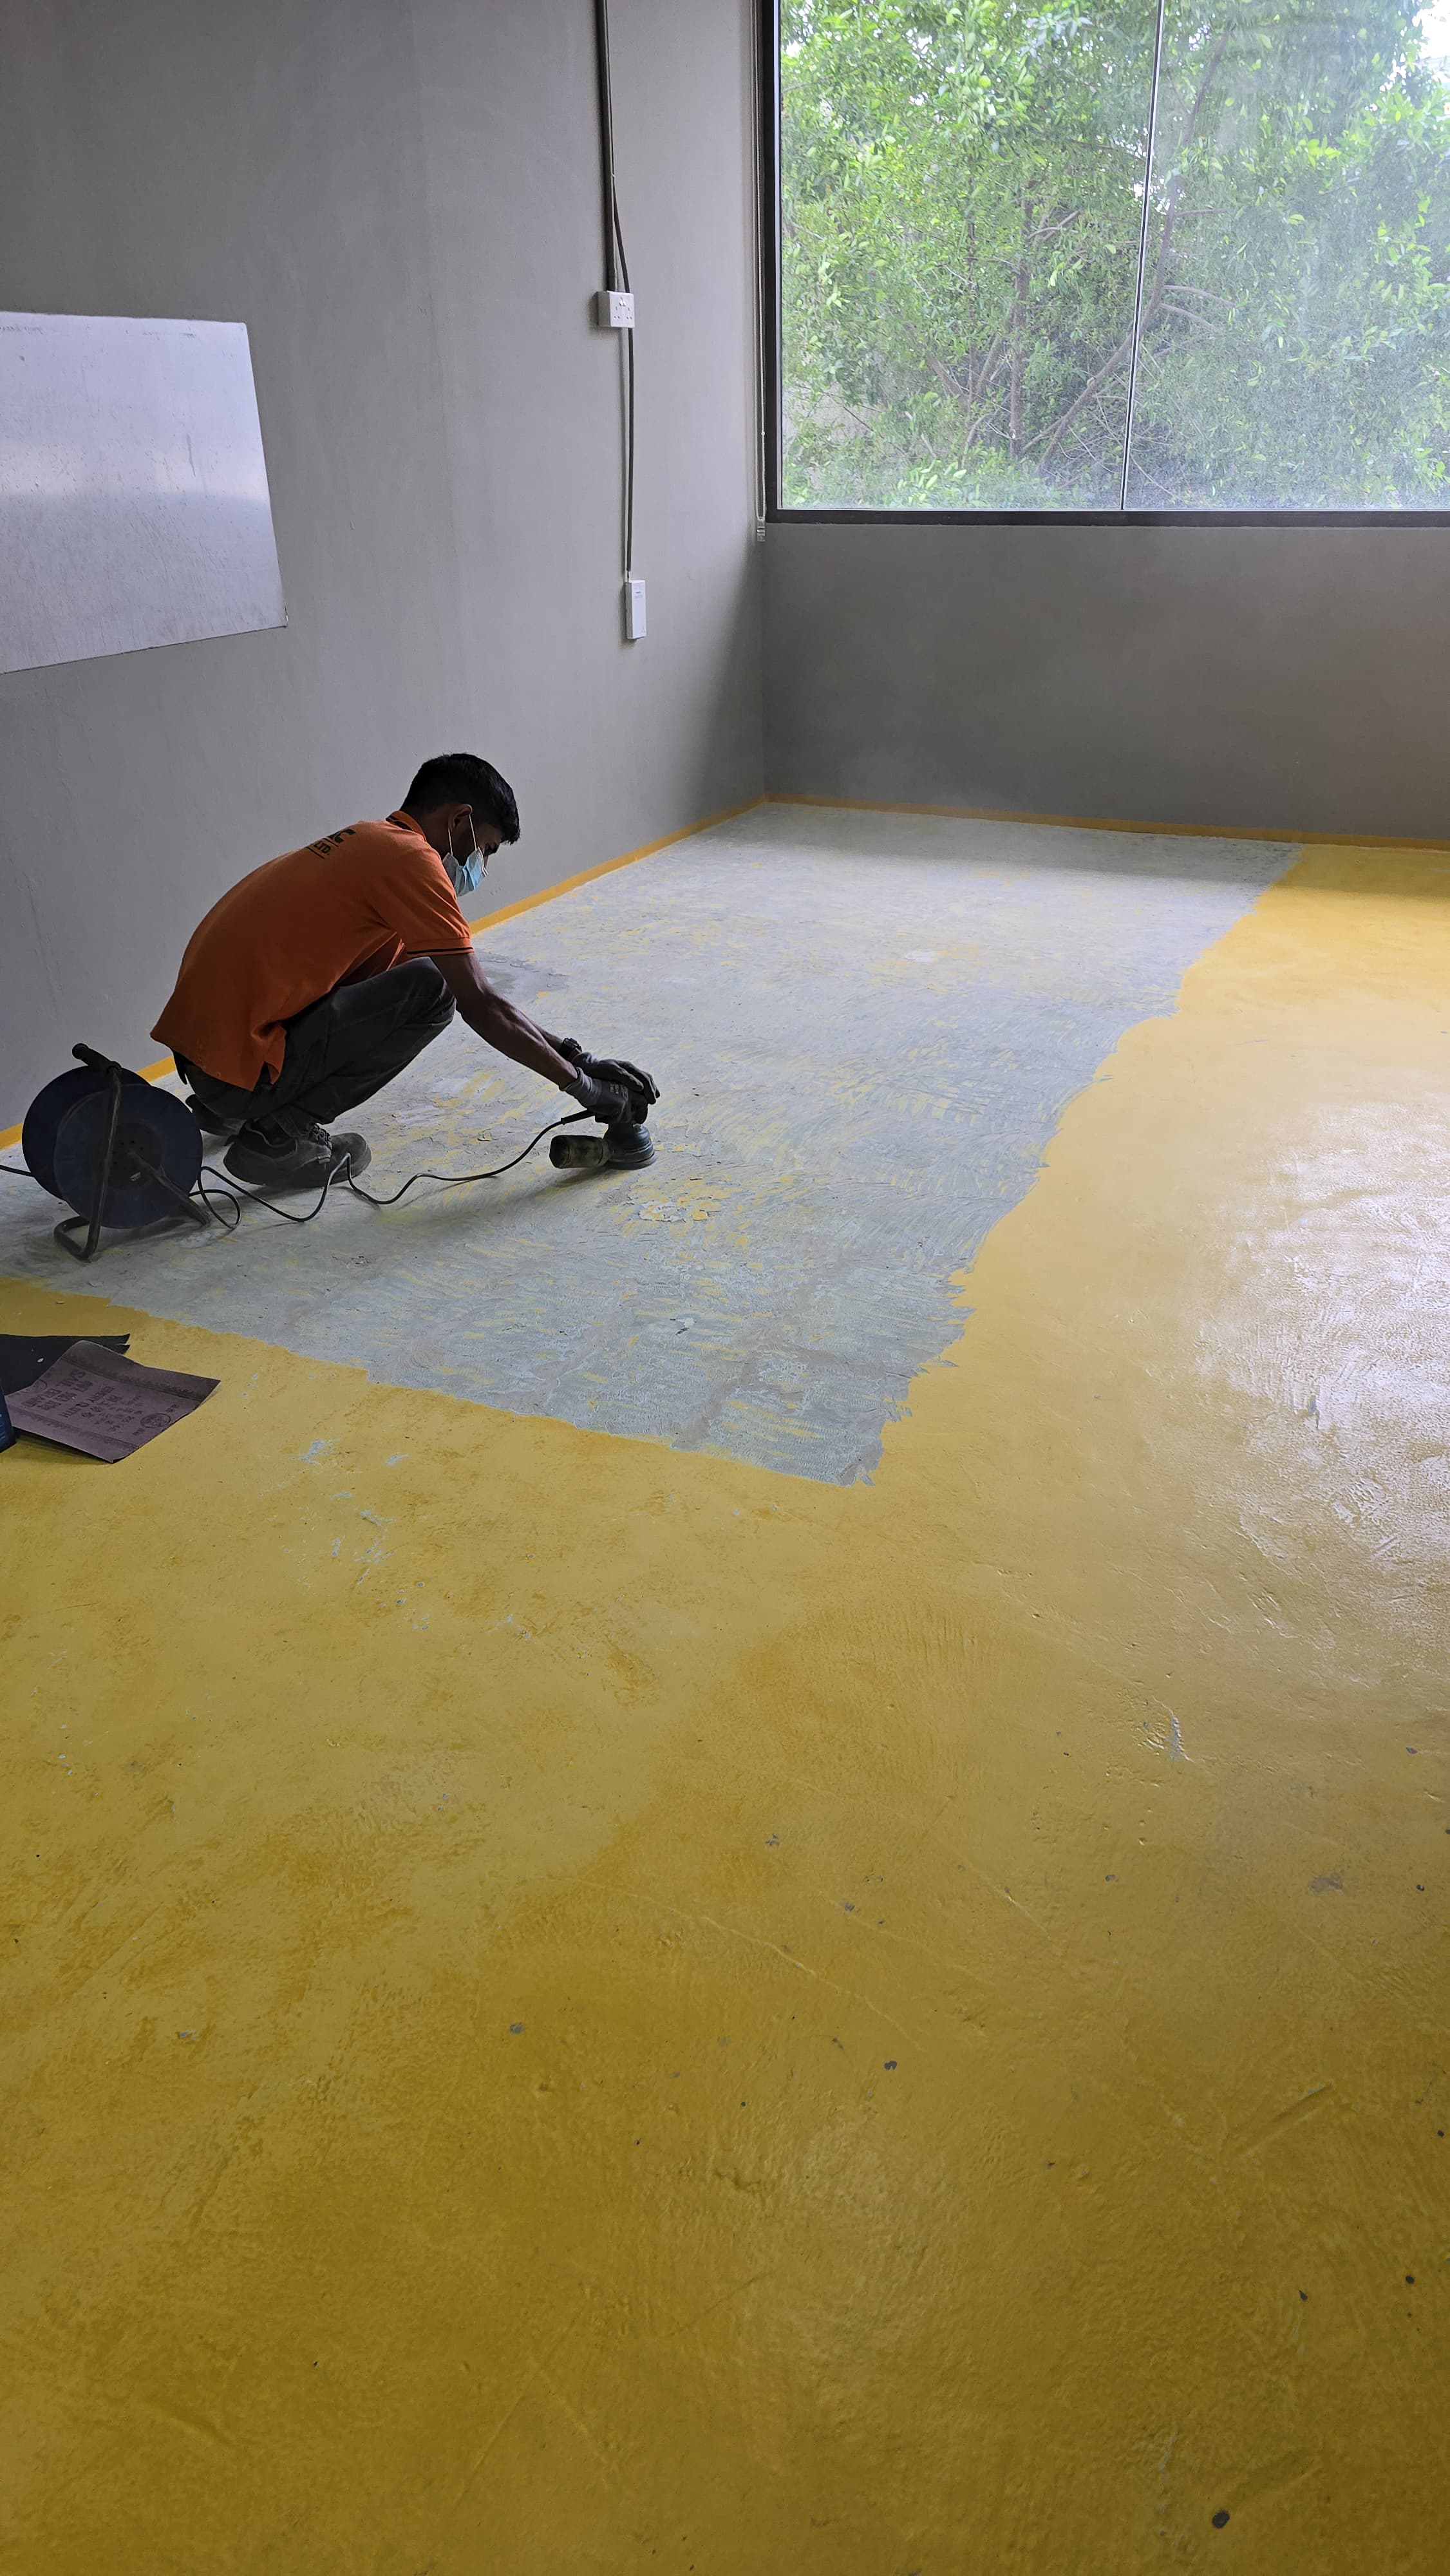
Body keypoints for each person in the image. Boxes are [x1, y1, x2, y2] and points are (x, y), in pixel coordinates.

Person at [152, 752, 634, 1191]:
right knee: (435, 991)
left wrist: (577, 1056)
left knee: (421, 977)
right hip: (235, 1073)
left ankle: (234, 1111)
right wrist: (582, 1086)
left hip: (206, 1061)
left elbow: (481, 996)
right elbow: (479, 1002)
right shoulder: (414, 862)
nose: (480, 867)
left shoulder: (371, 845)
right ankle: (277, 1137)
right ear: (459, 820)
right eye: (485, 850)